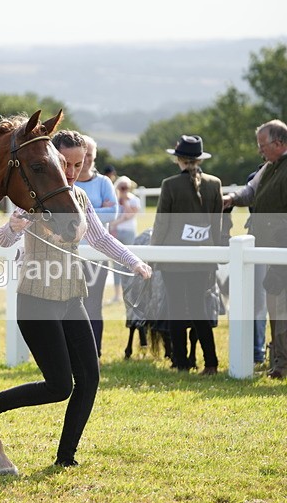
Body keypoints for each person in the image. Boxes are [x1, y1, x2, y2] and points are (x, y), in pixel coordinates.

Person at [0, 130, 152, 467]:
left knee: (90, 378)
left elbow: (101, 238)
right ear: (53, 159)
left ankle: (66, 457)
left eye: (81, 163)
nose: (74, 170)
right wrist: (16, 227)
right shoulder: (30, 195)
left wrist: (133, 261)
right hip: (36, 301)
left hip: (72, 298)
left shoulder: (78, 198)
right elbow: (4, 239)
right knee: (59, 386)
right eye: (67, 163)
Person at [151, 135, 223, 374]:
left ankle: (181, 362)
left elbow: (161, 224)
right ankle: (211, 362)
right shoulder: (214, 183)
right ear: (199, 159)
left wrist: (152, 253)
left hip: (174, 259)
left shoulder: (169, 185)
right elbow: (216, 225)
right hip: (202, 259)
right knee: (199, 309)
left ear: (179, 159)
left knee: (176, 309)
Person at [226, 119, 287, 379]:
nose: (260, 150)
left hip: (281, 250)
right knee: (275, 305)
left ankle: (281, 364)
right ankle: (279, 362)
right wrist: (230, 198)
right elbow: (250, 192)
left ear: (279, 143)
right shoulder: (268, 168)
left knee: (280, 306)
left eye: (263, 145)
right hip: (268, 249)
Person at [73, 135, 118, 358]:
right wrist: (97, 211)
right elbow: (105, 211)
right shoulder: (67, 182)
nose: (87, 159)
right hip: (70, 255)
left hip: (97, 255)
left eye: (91, 155)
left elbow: (113, 213)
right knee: (72, 305)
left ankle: (94, 354)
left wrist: (79, 214)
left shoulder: (103, 183)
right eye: (84, 155)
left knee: (93, 305)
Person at [223, 164, 268, 368]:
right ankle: (258, 350)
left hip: (263, 235)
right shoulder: (255, 178)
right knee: (258, 301)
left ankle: (259, 350)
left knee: (258, 301)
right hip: (260, 238)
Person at [107, 176, 141, 304]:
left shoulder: (134, 200)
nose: (123, 189)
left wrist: (125, 200)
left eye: (126, 187)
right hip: (115, 233)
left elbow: (129, 215)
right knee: (116, 264)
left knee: (130, 262)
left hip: (128, 233)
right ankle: (117, 294)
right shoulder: (114, 200)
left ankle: (130, 293)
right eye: (121, 187)